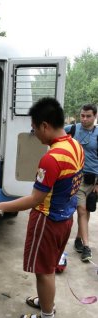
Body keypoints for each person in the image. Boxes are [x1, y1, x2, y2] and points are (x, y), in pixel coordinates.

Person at [0, 97, 84, 318]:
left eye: (34, 128)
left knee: (43, 271)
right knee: (48, 266)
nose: (34, 134)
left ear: (45, 125)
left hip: (47, 221)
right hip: (66, 218)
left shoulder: (51, 158)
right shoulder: (75, 146)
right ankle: (47, 303)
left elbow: (34, 200)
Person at [65, 104, 98, 262]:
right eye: (82, 115)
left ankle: (78, 239)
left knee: (87, 210)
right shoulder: (72, 129)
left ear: (95, 116)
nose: (84, 119)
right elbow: (54, 130)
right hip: (78, 178)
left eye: (88, 116)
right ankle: (86, 247)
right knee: (82, 209)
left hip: (94, 181)